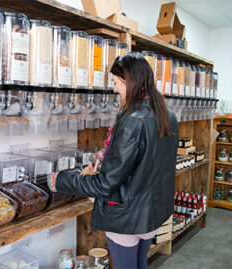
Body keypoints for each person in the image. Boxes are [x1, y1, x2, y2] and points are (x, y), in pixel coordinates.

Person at [47, 53, 179, 269]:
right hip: (150, 213)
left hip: (127, 216)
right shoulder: (166, 112)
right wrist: (108, 156)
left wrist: (60, 180)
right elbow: (148, 158)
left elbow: (105, 184)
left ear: (132, 82)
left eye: (117, 83)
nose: (115, 89)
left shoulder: (132, 121)